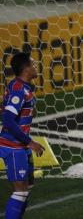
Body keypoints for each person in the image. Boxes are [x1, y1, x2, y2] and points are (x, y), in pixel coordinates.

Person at [0, 52, 45, 219]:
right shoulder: (20, 89)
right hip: (13, 147)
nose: (35, 67)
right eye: (33, 64)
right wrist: (30, 142)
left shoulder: (19, 86)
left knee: (26, 190)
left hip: (20, 147)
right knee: (20, 192)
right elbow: (8, 121)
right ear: (26, 68)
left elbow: (7, 109)